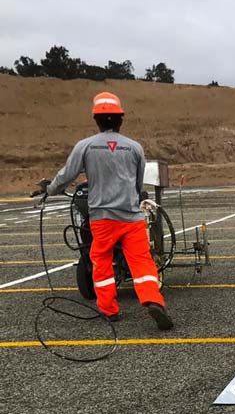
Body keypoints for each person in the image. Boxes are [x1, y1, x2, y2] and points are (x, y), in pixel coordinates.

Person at [34, 91, 173, 330]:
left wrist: (50, 189)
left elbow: (67, 175)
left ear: (96, 120)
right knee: (142, 262)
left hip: (102, 218)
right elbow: (137, 183)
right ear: (120, 119)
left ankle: (110, 310)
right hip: (131, 217)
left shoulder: (85, 146)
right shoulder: (134, 148)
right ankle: (153, 300)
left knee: (101, 262)